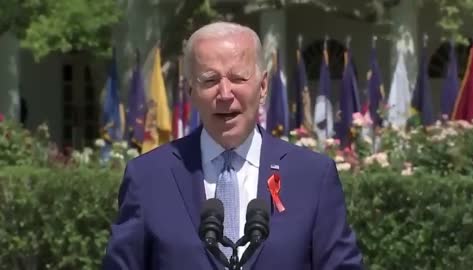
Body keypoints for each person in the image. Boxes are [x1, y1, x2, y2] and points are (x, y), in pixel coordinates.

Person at [102, 21, 364, 269]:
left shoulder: (313, 176)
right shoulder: (148, 176)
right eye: (210, 80)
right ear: (191, 91)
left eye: (238, 78)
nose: (225, 94)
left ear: (262, 86)